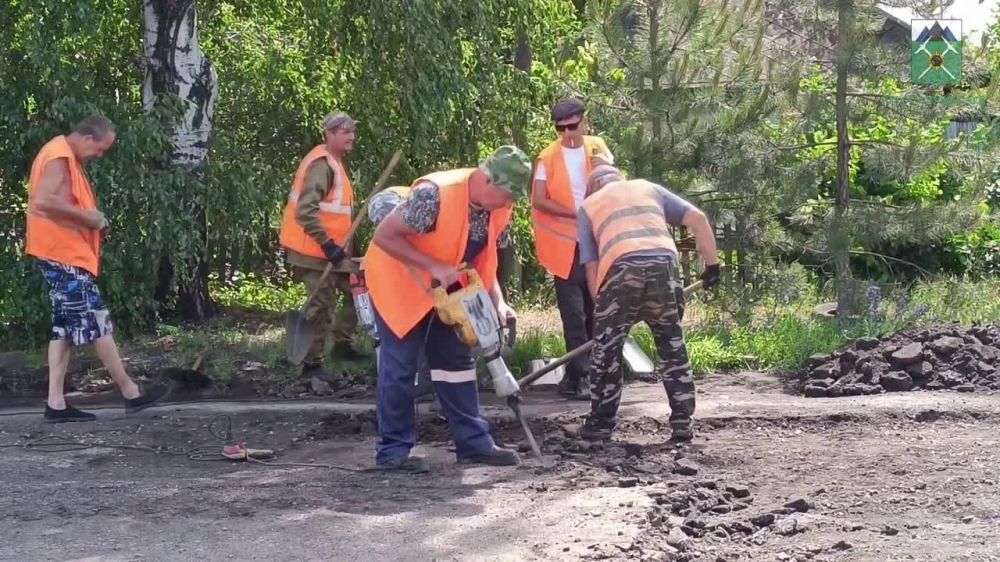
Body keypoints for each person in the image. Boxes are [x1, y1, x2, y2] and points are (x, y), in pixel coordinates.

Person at [364, 146, 531, 473]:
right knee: (400, 366)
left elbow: (485, 262)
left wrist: (497, 300)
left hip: (447, 288)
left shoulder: (499, 209)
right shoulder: (434, 195)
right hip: (399, 282)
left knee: (456, 362)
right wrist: (435, 266)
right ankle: (393, 453)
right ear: (486, 179)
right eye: (508, 194)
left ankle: (473, 444)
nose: (511, 203)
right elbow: (384, 237)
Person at [25, 115, 167, 422]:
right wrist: (88, 218)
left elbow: (57, 202)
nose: (100, 155)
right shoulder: (59, 156)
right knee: (96, 322)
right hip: (63, 257)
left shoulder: (64, 156)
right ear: (88, 138)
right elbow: (42, 200)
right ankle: (131, 392)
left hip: (63, 254)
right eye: (101, 149)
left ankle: (55, 403)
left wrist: (92, 222)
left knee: (63, 329)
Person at [576, 165, 720, 443]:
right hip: (664, 265)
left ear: (592, 187)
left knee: (607, 352)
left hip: (620, 268)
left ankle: (600, 425)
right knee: (671, 345)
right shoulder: (647, 188)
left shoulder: (589, 205)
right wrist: (712, 266)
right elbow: (698, 218)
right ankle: (682, 423)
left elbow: (592, 266)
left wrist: (602, 312)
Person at [531, 98, 615, 401]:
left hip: (597, 241)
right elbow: (539, 199)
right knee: (574, 315)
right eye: (561, 128)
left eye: (573, 126)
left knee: (596, 310)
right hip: (564, 248)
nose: (567, 133)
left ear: (584, 121)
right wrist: (576, 212)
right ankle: (580, 376)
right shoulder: (547, 157)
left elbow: (613, 182)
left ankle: (587, 374)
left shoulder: (597, 147)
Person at [279, 111, 363, 381]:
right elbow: (305, 211)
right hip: (314, 251)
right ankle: (311, 365)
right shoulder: (322, 166)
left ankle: (342, 344)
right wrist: (327, 245)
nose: (351, 136)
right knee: (320, 306)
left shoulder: (335, 162)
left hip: (333, 252)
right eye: (344, 132)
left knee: (360, 290)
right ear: (329, 134)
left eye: (352, 131)